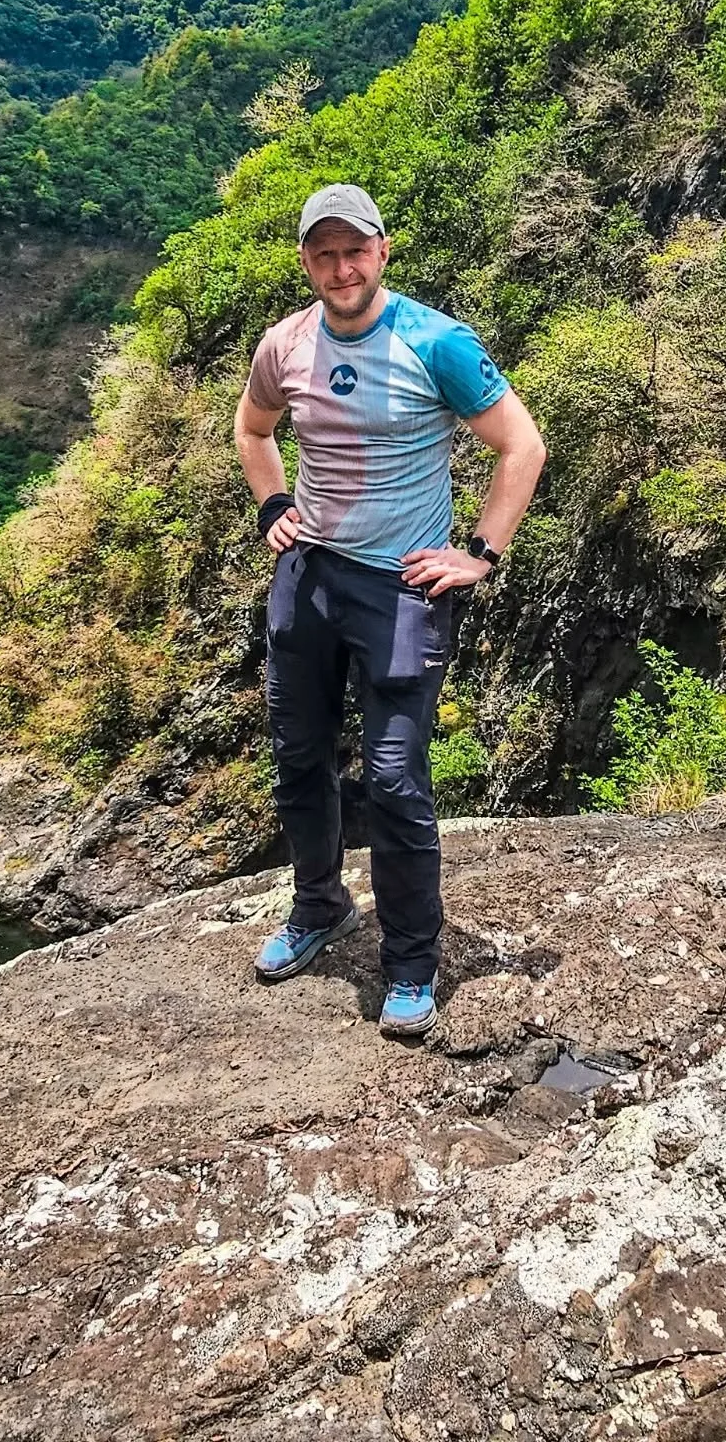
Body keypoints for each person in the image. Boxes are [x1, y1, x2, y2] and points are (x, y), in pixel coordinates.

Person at [233, 183, 547, 1038]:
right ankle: (320, 907)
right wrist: (272, 506)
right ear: (307, 261)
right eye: (325, 254)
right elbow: (254, 429)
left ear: (382, 251)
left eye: (355, 251)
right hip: (309, 574)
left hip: (403, 588)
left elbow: (522, 445)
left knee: (395, 776)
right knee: (298, 757)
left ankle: (411, 961)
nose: (342, 268)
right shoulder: (285, 345)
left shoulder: (436, 341)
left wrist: (479, 554)